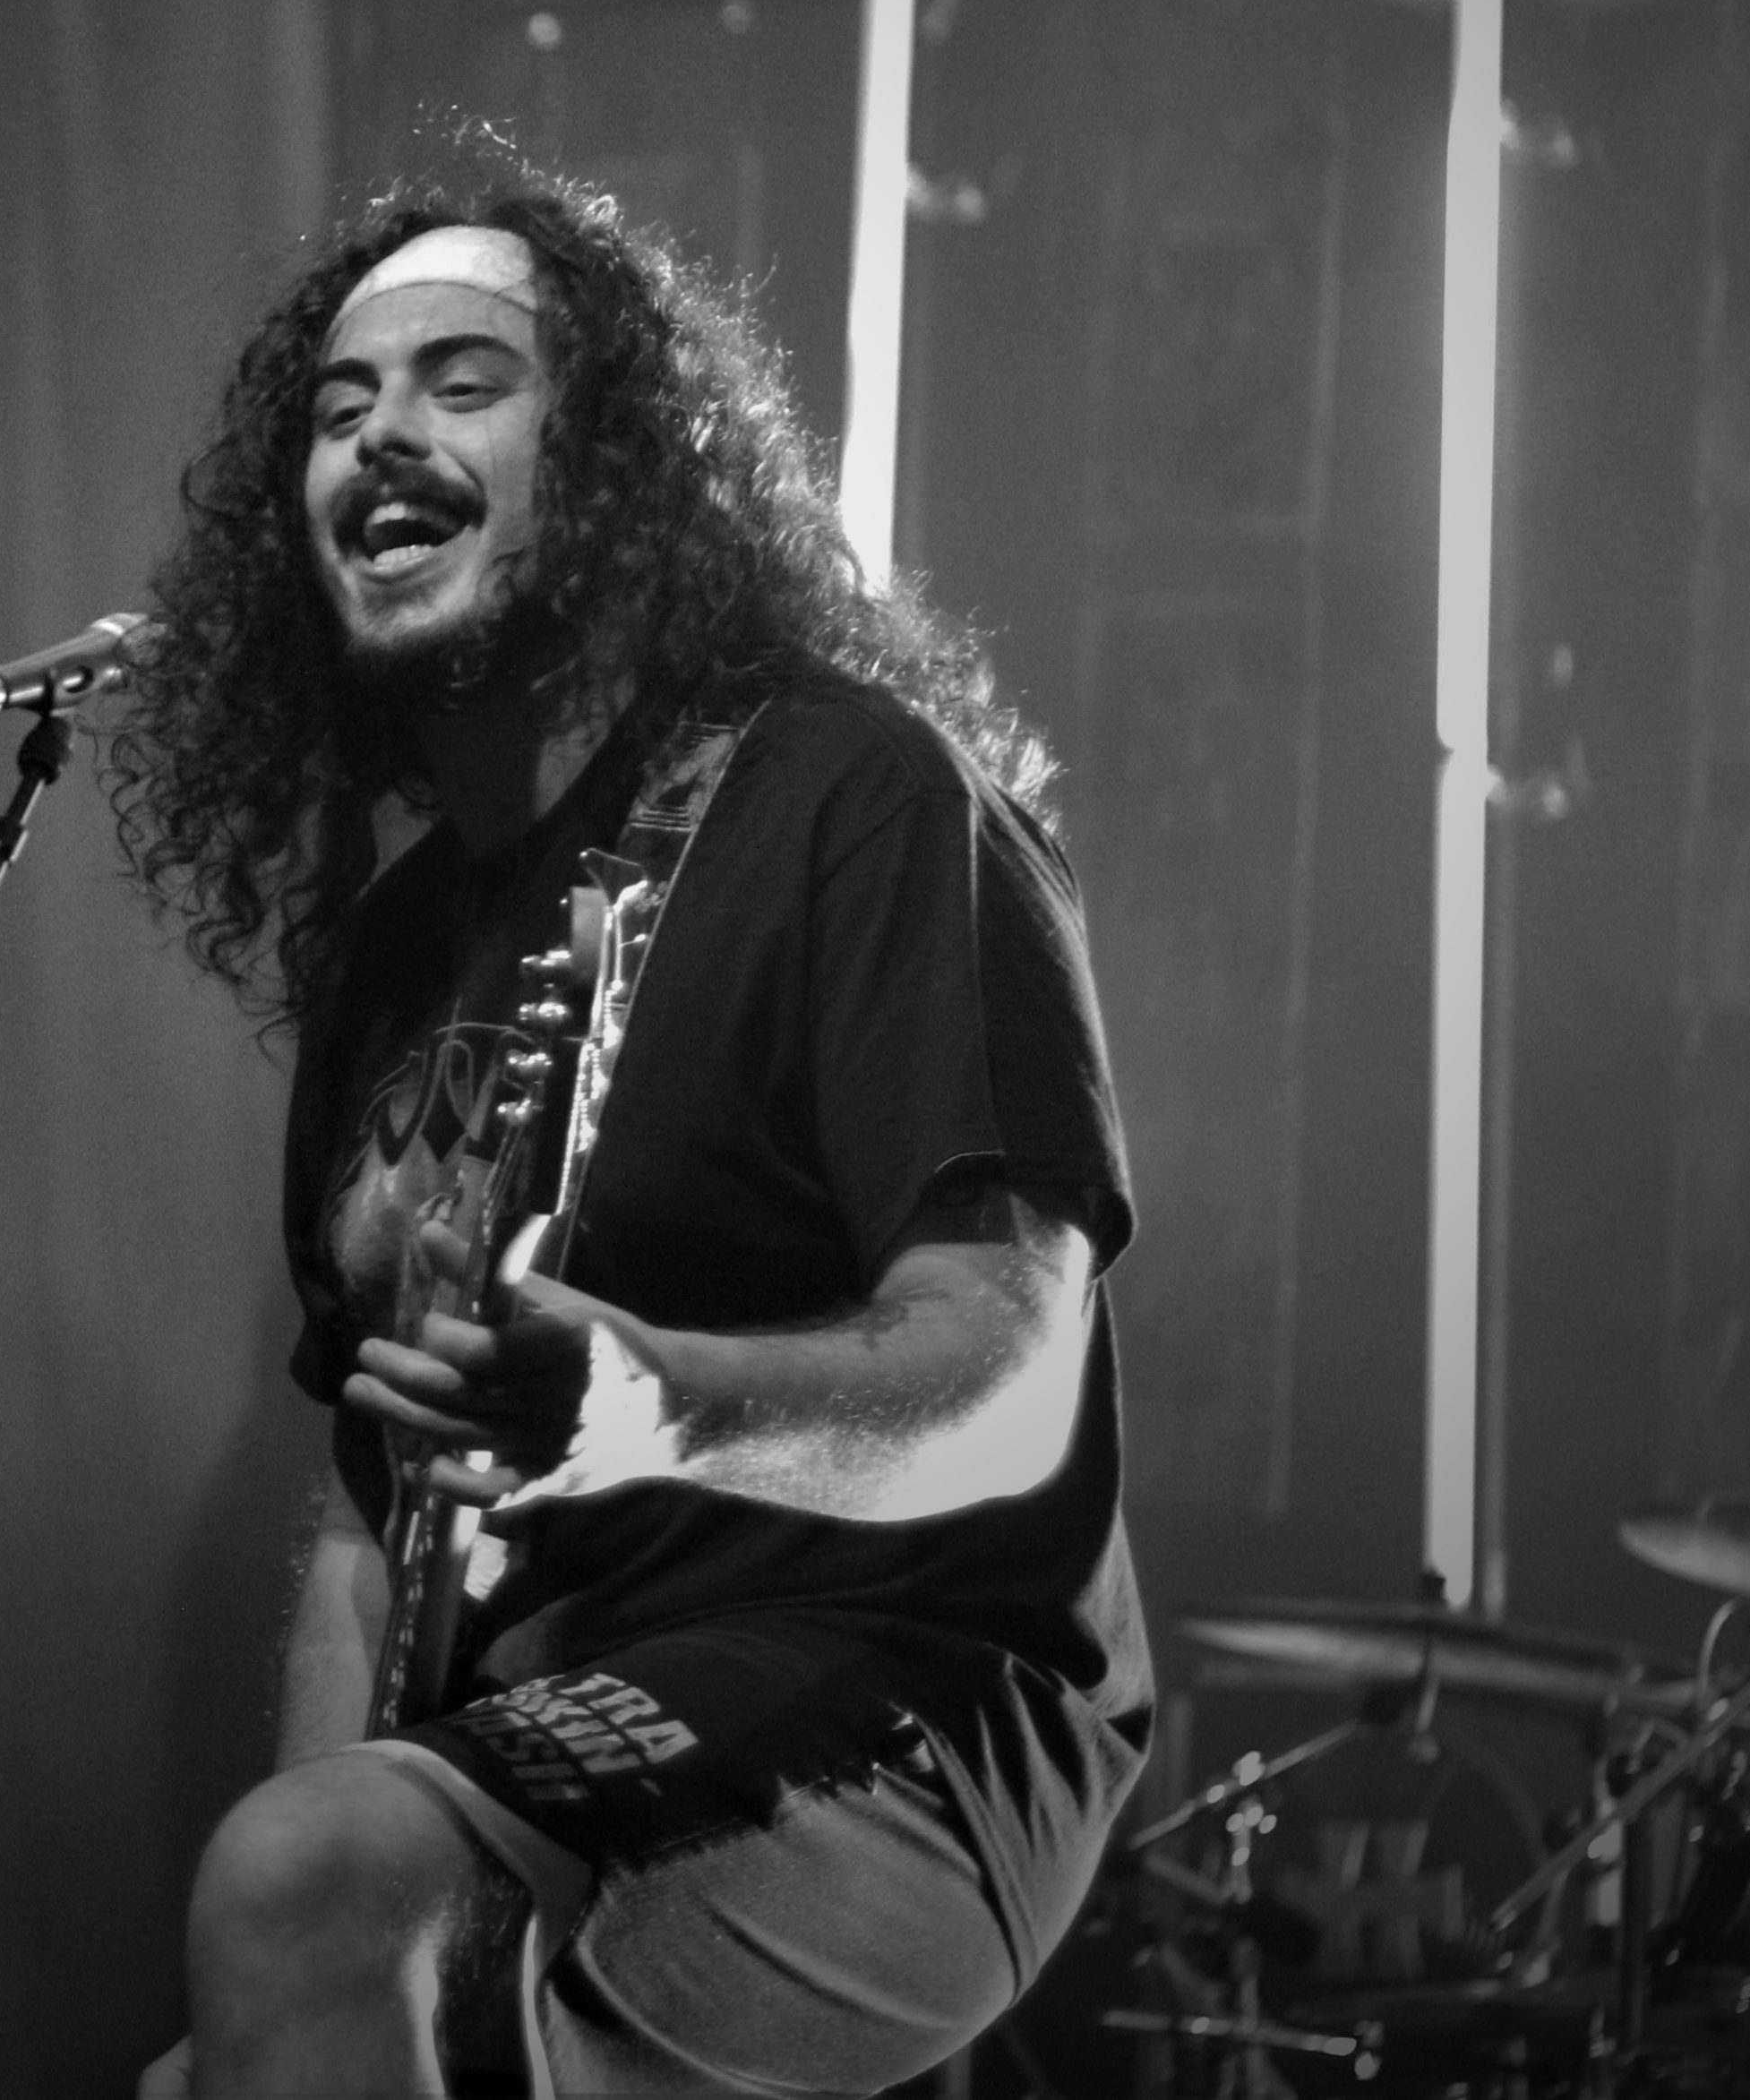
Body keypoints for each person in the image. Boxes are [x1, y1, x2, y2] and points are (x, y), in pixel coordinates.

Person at [109, 180, 1147, 2097]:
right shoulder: (395, 951)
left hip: (918, 1690)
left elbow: (1008, 1374)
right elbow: (368, 1502)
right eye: (338, 408)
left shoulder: (857, 795)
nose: (382, 435)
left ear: (614, 470)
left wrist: (652, 1404)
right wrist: (298, 1948)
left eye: (464, 383)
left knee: (295, 1884)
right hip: (548, 1721)